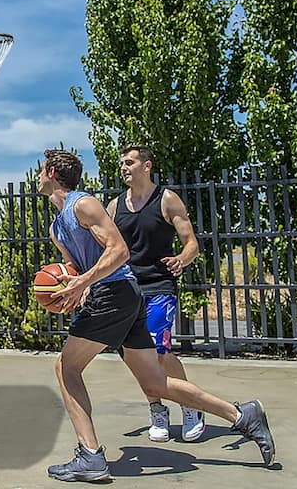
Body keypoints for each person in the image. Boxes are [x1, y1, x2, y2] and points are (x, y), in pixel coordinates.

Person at [38, 148, 275, 483]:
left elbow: (119, 251)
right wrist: (70, 281)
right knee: (155, 382)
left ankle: (90, 455)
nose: (36, 176)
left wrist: (86, 281)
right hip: (121, 296)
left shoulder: (83, 204)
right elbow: (78, 266)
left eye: (40, 169)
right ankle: (241, 414)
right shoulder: (57, 227)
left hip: (115, 293)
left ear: (50, 172)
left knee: (66, 367)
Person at [106, 145, 204, 443]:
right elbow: (106, 248)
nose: (124, 167)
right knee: (137, 358)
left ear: (146, 166)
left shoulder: (167, 199)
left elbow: (192, 244)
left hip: (159, 286)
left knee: (158, 352)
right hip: (127, 289)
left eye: (129, 162)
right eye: (122, 163)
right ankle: (157, 409)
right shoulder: (113, 206)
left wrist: (181, 260)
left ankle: (191, 406)